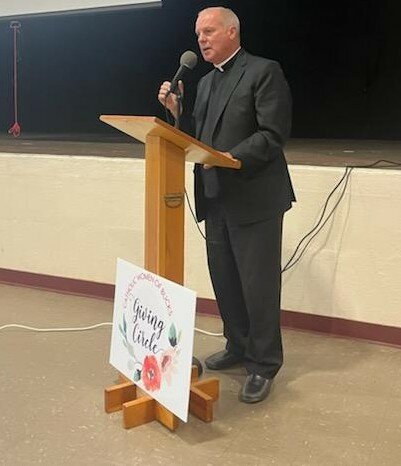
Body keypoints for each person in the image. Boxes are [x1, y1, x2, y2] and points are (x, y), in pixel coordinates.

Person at [158, 6, 295, 403]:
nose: (201, 39)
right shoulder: (203, 84)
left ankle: (264, 364)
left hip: (254, 198)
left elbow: (272, 134)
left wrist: (228, 156)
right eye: (198, 33)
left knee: (258, 286)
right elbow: (199, 139)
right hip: (216, 197)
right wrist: (176, 113)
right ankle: (237, 345)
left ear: (232, 33)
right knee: (226, 282)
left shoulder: (263, 71)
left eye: (209, 31)